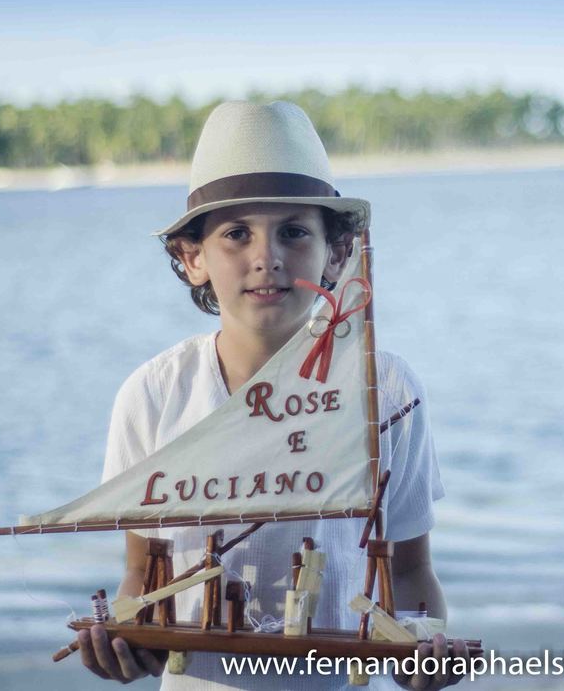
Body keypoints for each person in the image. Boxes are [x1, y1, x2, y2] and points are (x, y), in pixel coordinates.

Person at [76, 101, 467, 689]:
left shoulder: (385, 390)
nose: (267, 258)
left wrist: (424, 652)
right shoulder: (155, 394)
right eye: (237, 234)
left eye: (293, 231)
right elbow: (142, 575)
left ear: (335, 252)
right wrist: (133, 647)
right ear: (193, 258)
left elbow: (409, 573)